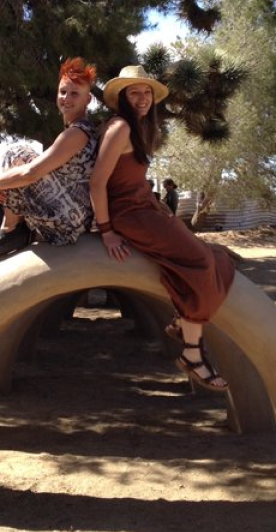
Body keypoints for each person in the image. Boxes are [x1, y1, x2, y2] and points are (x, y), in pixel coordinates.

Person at [89, 65, 235, 392]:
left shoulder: (137, 127)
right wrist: (107, 230)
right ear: (122, 97)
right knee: (200, 262)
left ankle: (184, 323)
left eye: (146, 92)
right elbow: (97, 182)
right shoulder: (120, 128)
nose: (142, 99)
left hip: (145, 207)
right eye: (134, 93)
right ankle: (193, 353)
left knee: (213, 256)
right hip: (129, 213)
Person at [0, 57, 99, 256]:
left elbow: (32, 173)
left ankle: (10, 229)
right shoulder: (81, 130)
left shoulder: (77, 133)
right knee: (21, 162)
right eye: (63, 92)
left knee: (17, 153)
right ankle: (13, 227)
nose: (66, 99)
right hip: (74, 214)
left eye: (75, 94)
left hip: (69, 221)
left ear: (87, 100)